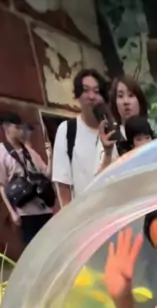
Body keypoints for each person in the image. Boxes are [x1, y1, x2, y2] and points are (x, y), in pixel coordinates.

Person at [52, 68, 111, 205]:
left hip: (115, 211)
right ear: (77, 96)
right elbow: (63, 183)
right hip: (84, 212)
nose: (91, 96)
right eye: (85, 90)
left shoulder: (113, 130)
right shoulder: (67, 130)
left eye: (97, 91)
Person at [0, 112, 54, 247]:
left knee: (50, 247)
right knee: (34, 249)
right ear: (6, 128)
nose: (21, 131)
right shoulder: (2, 152)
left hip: (44, 210)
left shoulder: (30, 152)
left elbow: (47, 175)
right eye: (17, 127)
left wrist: (50, 157)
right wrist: (12, 212)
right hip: (25, 213)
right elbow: (2, 185)